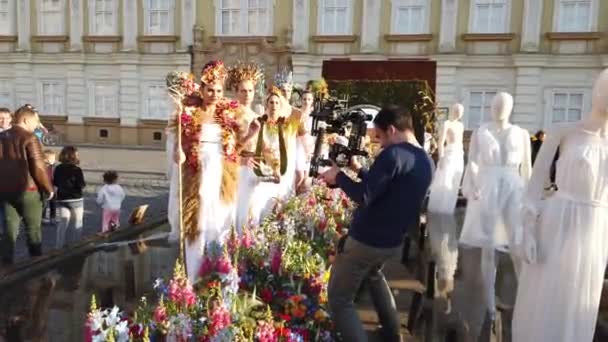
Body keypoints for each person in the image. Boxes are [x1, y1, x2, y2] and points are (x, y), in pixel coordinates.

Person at [319, 105, 433, 342]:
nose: (380, 144)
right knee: (373, 275)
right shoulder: (425, 160)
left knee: (340, 299)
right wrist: (359, 171)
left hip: (366, 240)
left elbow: (364, 196)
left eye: (380, 137)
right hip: (392, 241)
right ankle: (393, 335)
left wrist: (337, 176)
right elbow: (388, 188)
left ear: (391, 130)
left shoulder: (393, 154)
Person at [512, 69, 608, 342]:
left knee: (581, 300)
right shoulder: (564, 132)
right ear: (596, 91)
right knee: (547, 297)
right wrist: (528, 228)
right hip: (558, 221)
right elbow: (534, 186)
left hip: (597, 229)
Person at [167, 60, 257, 284]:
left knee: (220, 220)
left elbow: (234, 151)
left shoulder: (228, 114)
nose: (215, 94)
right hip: (197, 174)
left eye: (218, 90)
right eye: (210, 89)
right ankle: (194, 274)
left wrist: (250, 135)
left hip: (221, 175)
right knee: (197, 221)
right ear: (202, 89)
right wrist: (180, 153)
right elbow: (179, 146)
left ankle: (219, 272)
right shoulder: (188, 112)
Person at [0, 105, 54, 264]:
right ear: (25, 120)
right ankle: (36, 265)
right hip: (28, 191)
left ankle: (5, 267)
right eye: (35, 122)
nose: (37, 125)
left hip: (6, 192)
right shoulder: (29, 138)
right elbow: (38, 167)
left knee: (9, 231)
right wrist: (48, 189)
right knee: (33, 230)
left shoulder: (1, 137)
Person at [245, 88, 305, 227]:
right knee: (260, 207)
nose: (274, 106)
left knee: (279, 207)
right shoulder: (260, 123)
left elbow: (299, 115)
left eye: (277, 103)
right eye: (271, 102)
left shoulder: (287, 125)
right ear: (266, 104)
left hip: (283, 170)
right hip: (264, 170)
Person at [53, 146, 86, 248]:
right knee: (77, 223)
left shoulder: (57, 168)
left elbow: (56, 183)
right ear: (73, 156)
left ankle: (58, 246)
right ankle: (76, 246)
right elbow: (81, 184)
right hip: (76, 199)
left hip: (62, 198)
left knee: (63, 223)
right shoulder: (77, 169)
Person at [295, 90, 315, 193]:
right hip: (298, 146)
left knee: (307, 177)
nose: (306, 101)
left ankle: (299, 201)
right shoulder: (297, 113)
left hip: (310, 147)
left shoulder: (315, 115)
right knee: (299, 175)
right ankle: (292, 194)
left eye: (309, 99)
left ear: (312, 101)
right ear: (301, 100)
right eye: (304, 99)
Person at [42, 149, 57, 224]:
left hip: (52, 188)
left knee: (53, 203)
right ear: (45, 159)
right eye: (52, 159)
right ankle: (43, 217)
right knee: (44, 204)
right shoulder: (42, 167)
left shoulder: (54, 167)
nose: (54, 160)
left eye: (54, 158)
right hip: (44, 188)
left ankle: (53, 217)